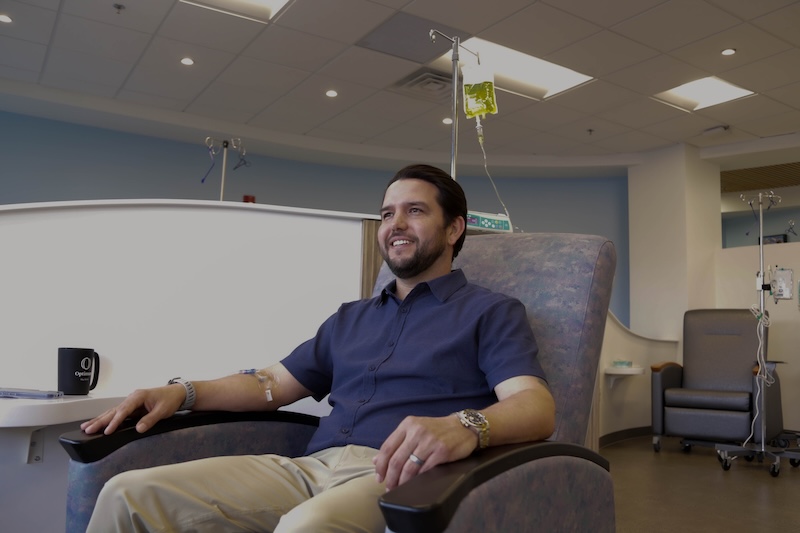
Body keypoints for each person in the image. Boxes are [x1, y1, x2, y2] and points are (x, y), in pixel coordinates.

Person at [81, 163, 556, 533]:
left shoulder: (490, 312)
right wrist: (183, 392)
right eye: (388, 213)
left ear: (454, 229)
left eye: (415, 211)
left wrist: (465, 425)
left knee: (306, 526)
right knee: (127, 492)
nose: (395, 224)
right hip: (308, 468)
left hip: (401, 475)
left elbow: (535, 406)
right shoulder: (351, 317)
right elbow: (270, 384)